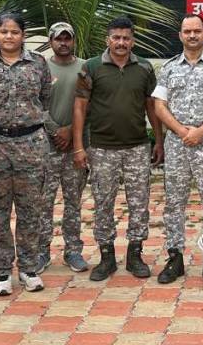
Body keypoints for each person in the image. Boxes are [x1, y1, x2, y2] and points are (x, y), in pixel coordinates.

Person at [72, 17, 164, 281]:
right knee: (103, 203)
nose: (121, 43)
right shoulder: (91, 67)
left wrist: (158, 140)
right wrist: (79, 147)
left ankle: (135, 255)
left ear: (132, 40)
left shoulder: (144, 68)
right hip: (101, 148)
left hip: (136, 146)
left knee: (139, 203)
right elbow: (79, 107)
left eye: (126, 38)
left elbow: (151, 106)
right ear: (107, 40)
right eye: (116, 37)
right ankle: (107, 257)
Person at [0, 12, 53, 295]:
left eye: (15, 32)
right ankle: (3, 271)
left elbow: (45, 99)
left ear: (23, 35)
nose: (9, 37)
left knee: (31, 211)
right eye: (4, 31)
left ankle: (30, 269)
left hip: (30, 144)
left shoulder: (38, 64)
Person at [153, 13, 203, 287]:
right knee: (174, 204)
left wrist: (200, 131)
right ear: (180, 35)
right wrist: (180, 130)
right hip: (177, 144)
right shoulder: (168, 68)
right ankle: (174, 258)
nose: (192, 35)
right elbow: (159, 105)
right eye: (187, 31)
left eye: (196, 31)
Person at [38, 22, 91, 273]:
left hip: (76, 146)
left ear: (73, 41)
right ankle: (41, 252)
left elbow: (91, 104)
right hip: (45, 146)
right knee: (43, 202)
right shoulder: (40, 68)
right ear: (51, 41)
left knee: (73, 201)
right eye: (58, 39)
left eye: (67, 38)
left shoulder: (85, 67)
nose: (63, 43)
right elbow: (34, 104)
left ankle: (73, 251)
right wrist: (55, 129)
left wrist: (71, 130)